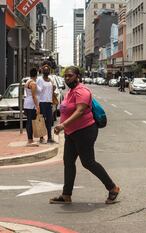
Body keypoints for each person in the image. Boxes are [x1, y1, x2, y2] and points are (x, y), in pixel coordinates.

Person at [50, 66, 120, 204]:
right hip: (71, 133)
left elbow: (80, 111)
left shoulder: (82, 91)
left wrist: (63, 125)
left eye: (70, 75)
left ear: (77, 76)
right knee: (69, 162)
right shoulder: (70, 92)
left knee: (88, 162)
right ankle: (66, 195)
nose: (67, 78)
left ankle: (113, 188)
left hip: (85, 131)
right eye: (65, 76)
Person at [37, 62, 56, 143]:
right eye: (45, 70)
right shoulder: (39, 80)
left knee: (49, 120)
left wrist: (53, 88)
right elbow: (37, 91)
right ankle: (41, 137)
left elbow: (51, 90)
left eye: (48, 70)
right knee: (42, 120)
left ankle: (49, 137)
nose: (46, 71)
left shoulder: (50, 80)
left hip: (49, 102)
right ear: (42, 71)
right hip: (42, 102)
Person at [24, 68, 41, 146]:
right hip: (31, 104)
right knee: (30, 122)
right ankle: (30, 140)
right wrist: (37, 106)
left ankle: (30, 139)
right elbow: (34, 96)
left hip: (27, 103)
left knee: (29, 121)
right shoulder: (33, 83)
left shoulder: (27, 81)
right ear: (36, 74)